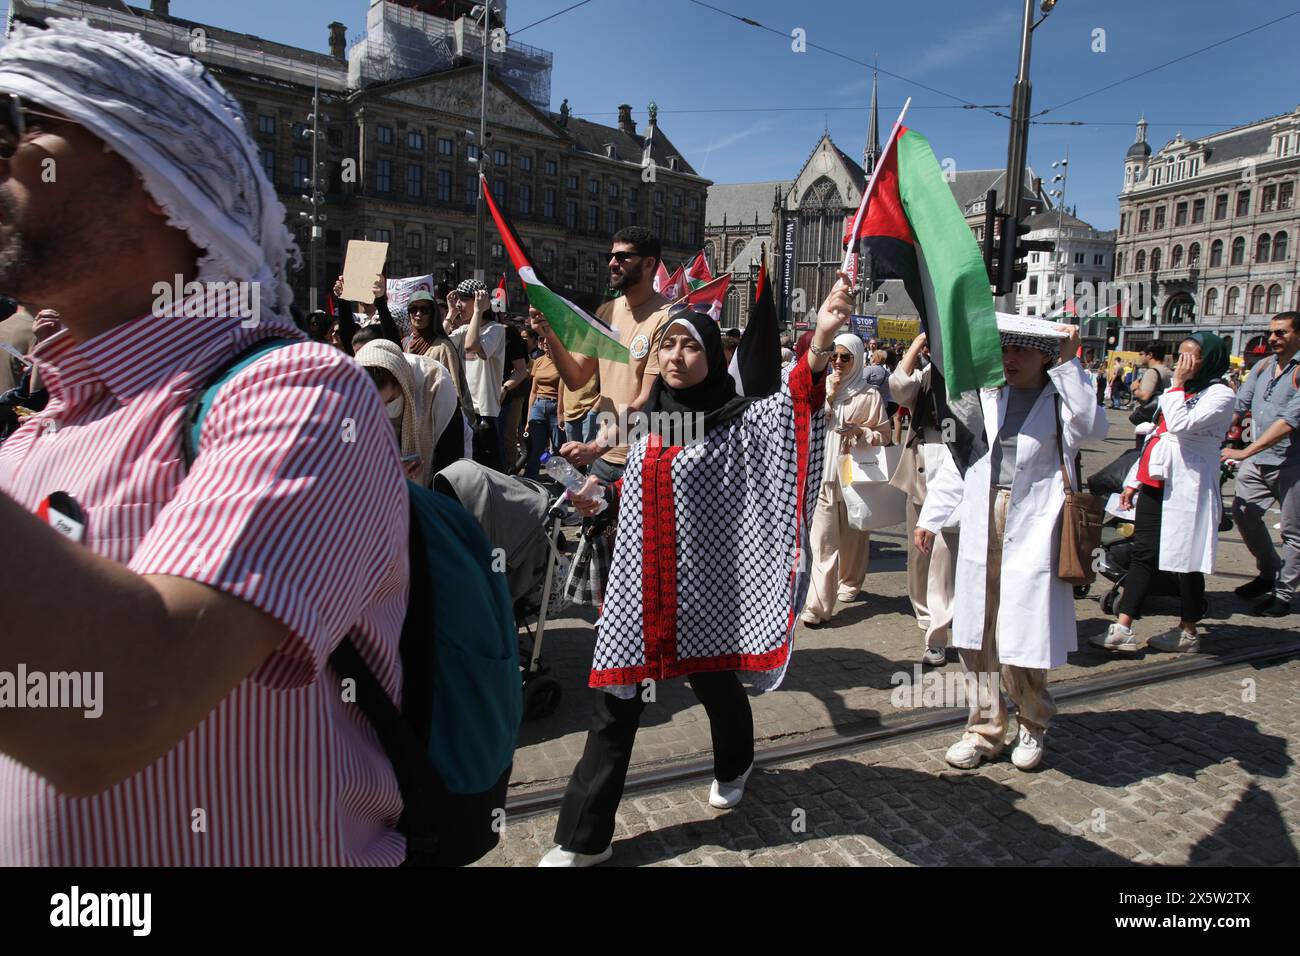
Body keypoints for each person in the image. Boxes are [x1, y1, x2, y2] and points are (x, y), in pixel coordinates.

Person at [0, 21, 408, 865]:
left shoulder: (297, 393)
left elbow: (115, 703)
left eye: (21, 127)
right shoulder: (36, 431)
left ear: (154, 176)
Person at [538, 276, 849, 867]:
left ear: (714, 357)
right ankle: (582, 839)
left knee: (714, 683)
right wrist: (596, 498)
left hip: (703, 590)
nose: (675, 357)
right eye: (667, 346)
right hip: (638, 589)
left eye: (690, 347)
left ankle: (735, 761)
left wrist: (819, 341)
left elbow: (793, 410)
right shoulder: (655, 421)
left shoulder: (739, 420)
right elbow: (637, 490)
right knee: (615, 700)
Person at [916, 318, 1107, 772]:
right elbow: (962, 462)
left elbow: (1093, 426)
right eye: (1005, 349)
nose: (1011, 359)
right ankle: (983, 728)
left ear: (1045, 355)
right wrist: (930, 517)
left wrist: (1070, 364)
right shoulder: (986, 396)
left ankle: (1033, 722)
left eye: (1022, 351)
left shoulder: (1061, 397)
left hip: (1035, 523)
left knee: (1022, 631)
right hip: (983, 515)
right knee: (976, 631)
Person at [1094, 333, 1235, 654]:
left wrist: (1176, 385)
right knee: (1143, 552)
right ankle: (1123, 627)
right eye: (1180, 356)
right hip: (1158, 481)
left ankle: (1188, 628)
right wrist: (1135, 480)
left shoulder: (1220, 394)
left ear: (1208, 360)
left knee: (1186, 558)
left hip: (1190, 486)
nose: (1183, 364)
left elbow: (1181, 424)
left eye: (1191, 356)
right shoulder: (1181, 390)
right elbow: (1159, 435)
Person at [533, 226, 673, 488]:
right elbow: (576, 378)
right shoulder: (606, 312)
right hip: (604, 459)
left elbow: (645, 399)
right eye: (611, 256)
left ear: (649, 263)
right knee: (594, 528)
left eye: (623, 257)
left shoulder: (666, 318)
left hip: (643, 459)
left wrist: (594, 448)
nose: (612, 263)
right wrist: (549, 335)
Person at [800, 333, 891, 626]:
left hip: (853, 476)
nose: (838, 362)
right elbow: (803, 420)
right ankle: (817, 605)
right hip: (821, 475)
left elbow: (884, 435)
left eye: (845, 357)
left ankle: (850, 581)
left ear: (857, 359)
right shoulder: (821, 387)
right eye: (834, 356)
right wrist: (827, 397)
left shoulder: (869, 395)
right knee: (822, 542)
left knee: (854, 537)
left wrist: (862, 433)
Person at [1222, 311, 1300, 617]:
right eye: (1271, 332)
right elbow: (1240, 406)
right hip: (1258, 459)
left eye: (1281, 333)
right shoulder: (1264, 365)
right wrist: (1217, 435)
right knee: (1244, 512)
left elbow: (1289, 421)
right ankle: (1268, 572)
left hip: (1292, 462)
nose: (1272, 338)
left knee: (1293, 532)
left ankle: (1283, 593)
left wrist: (1244, 451)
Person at [890, 331, 960, 667]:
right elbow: (898, 387)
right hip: (921, 465)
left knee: (945, 554)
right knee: (918, 550)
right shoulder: (924, 376)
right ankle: (923, 607)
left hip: (956, 465)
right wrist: (917, 345)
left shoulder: (967, 378)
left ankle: (940, 624)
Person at [355, 338, 463, 485]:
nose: (383, 410)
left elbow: (450, 456)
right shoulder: (352, 391)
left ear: (402, 383)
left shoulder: (435, 384)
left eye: (390, 401)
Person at [448, 278, 509, 469]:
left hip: (484, 411)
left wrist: (477, 311)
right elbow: (439, 343)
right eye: (458, 299)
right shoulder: (465, 328)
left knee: (489, 468)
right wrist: (450, 314)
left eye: (464, 299)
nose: (459, 304)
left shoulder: (496, 329)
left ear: (479, 301)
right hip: (465, 408)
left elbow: (471, 345)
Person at [404, 289, 473, 424]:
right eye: (413, 309)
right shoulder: (406, 343)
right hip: (409, 417)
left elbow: (453, 391)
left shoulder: (443, 347)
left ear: (433, 314)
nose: (418, 314)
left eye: (424, 310)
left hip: (434, 419)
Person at [523, 336, 563, 479]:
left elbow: (564, 389)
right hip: (538, 407)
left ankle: (561, 486)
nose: (544, 342)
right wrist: (529, 418)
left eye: (548, 339)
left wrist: (561, 413)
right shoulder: (538, 361)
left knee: (559, 450)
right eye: (541, 339)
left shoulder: (562, 361)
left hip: (555, 406)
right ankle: (529, 482)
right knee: (536, 449)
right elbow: (533, 391)